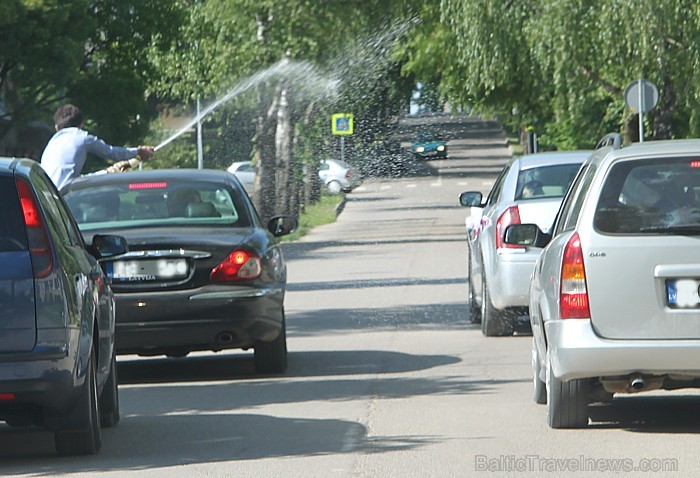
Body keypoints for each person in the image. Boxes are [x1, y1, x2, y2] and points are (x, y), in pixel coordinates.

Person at [40, 104, 155, 190]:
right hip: (66, 193)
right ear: (81, 125)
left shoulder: (51, 143)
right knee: (108, 179)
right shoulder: (82, 137)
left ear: (56, 128)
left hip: (47, 194)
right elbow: (111, 152)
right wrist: (138, 152)